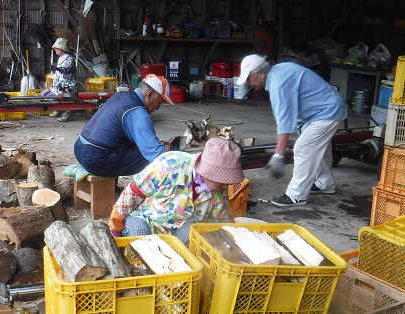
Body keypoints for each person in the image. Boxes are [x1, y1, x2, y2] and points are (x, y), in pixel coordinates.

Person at [236, 54, 348, 207]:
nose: (248, 83)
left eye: (248, 78)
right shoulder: (280, 71)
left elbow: (284, 124)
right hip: (324, 110)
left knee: (303, 148)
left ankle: (297, 195)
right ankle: (325, 183)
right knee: (317, 146)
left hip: (327, 112)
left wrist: (278, 155)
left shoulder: (278, 85)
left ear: (261, 73)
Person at [107, 137, 244, 245]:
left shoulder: (219, 191)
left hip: (178, 228)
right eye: (223, 180)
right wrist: (116, 227)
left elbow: (220, 221)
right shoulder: (169, 166)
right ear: (208, 173)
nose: (227, 185)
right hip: (147, 219)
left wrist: (232, 240)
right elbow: (133, 194)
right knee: (139, 234)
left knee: (193, 234)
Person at [74, 75, 174, 177]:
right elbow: (156, 154)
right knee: (152, 160)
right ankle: (144, 191)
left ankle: (115, 189)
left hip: (79, 149)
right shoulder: (138, 112)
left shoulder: (120, 95)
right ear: (150, 94)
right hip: (95, 160)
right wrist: (179, 163)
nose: (158, 107)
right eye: (159, 103)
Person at [42, 38, 77, 122]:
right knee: (44, 93)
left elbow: (69, 69)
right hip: (58, 86)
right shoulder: (60, 58)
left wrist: (59, 69)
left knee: (64, 97)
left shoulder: (69, 59)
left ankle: (66, 113)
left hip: (67, 87)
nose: (55, 50)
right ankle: (58, 109)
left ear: (62, 49)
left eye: (56, 48)